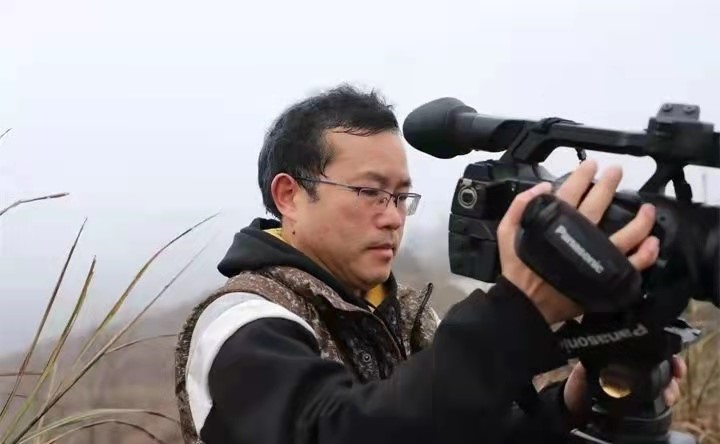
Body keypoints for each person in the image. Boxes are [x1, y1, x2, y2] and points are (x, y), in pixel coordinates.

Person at [174, 84, 686, 444]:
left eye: (401, 196)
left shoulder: (403, 312)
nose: (392, 217)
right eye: (370, 192)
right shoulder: (243, 323)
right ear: (289, 195)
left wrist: (565, 405)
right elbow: (339, 432)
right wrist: (517, 311)